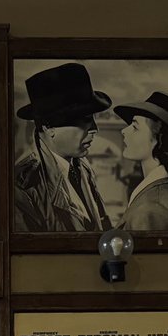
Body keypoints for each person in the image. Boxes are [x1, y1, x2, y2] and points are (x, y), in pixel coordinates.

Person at [13, 63, 113, 232]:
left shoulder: (82, 168)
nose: (95, 128)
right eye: (83, 120)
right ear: (48, 127)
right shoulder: (24, 186)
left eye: (93, 119)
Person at [113, 91, 168, 231]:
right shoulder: (164, 194)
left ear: (160, 140)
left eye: (135, 127)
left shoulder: (153, 211)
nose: (124, 130)